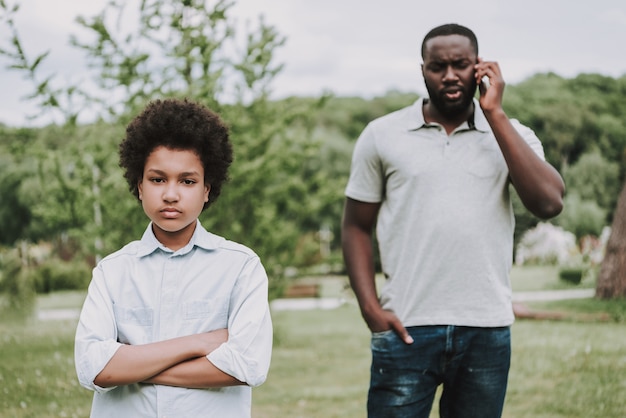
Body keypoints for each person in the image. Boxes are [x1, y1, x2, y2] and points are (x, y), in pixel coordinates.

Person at [341, 23, 564, 418]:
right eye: (437, 66)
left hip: (486, 327)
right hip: (406, 326)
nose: (449, 76)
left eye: (460, 65)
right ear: (422, 70)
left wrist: (494, 113)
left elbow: (548, 203)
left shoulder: (513, 135)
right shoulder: (381, 135)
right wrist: (369, 307)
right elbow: (356, 225)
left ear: (479, 68)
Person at [74, 98, 273, 417]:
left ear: (208, 189)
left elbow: (247, 365)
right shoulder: (112, 272)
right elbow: (92, 368)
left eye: (187, 181)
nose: (170, 194)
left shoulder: (240, 267)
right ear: (139, 185)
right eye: (157, 179)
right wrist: (197, 344)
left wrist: (131, 366)